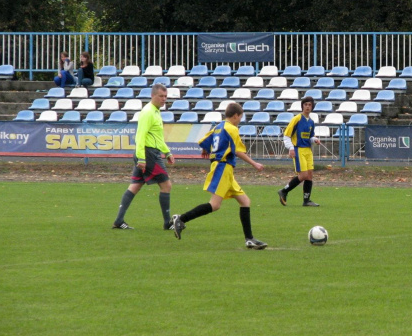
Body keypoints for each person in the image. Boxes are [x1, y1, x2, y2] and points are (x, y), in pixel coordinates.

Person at [169, 103, 267, 250]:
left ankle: (249, 239)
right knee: (215, 205)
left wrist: (206, 149)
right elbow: (238, 151)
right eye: (240, 117)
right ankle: (181, 219)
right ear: (235, 116)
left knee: (245, 201)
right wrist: (254, 164)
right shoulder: (232, 129)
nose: (240, 120)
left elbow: (203, 141)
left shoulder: (219, 126)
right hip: (223, 167)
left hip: (225, 169)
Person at [112, 83, 175, 230]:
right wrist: (141, 158)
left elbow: (157, 137)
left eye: (165, 96)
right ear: (153, 96)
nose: (164, 99)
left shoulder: (155, 112)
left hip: (148, 153)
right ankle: (167, 223)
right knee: (166, 185)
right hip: (148, 154)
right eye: (161, 96)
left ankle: (119, 220)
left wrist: (167, 152)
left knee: (135, 186)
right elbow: (140, 136)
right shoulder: (148, 112)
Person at [277, 96, 322, 207]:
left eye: (309, 105)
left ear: (312, 107)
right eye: (305, 104)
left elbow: (309, 137)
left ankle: (306, 201)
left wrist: (315, 139)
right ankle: (284, 191)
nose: (307, 106)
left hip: (308, 150)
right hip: (298, 149)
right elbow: (286, 135)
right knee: (303, 175)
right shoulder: (296, 119)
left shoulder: (311, 122)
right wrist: (291, 148)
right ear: (302, 106)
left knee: (309, 175)